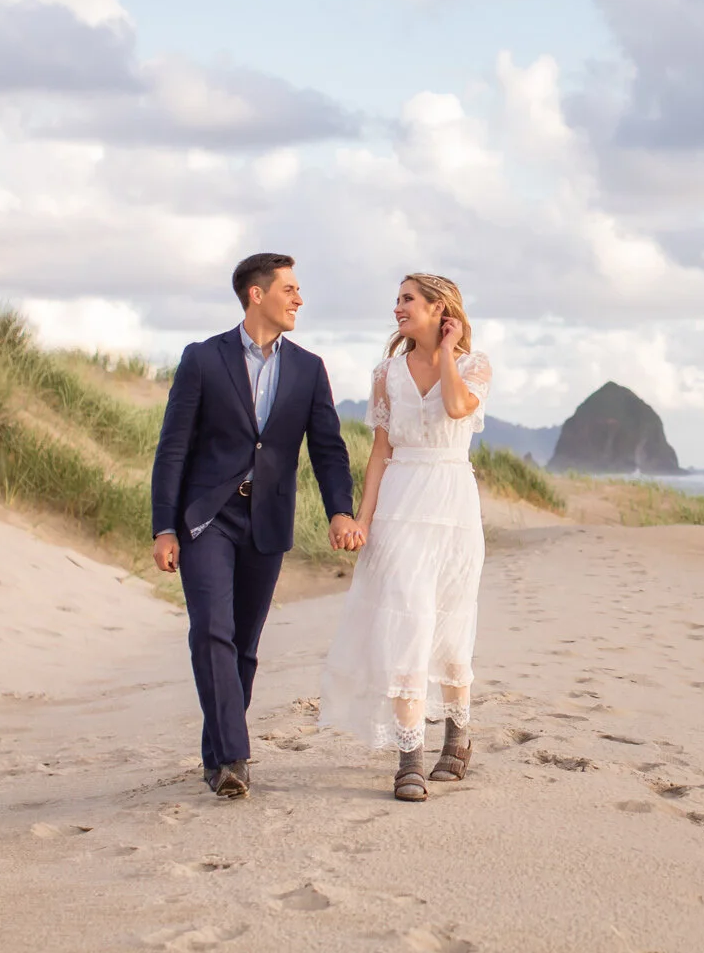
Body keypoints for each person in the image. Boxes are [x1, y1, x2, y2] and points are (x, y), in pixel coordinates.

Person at [150, 253, 359, 799]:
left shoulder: (310, 369)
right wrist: (163, 528)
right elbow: (173, 449)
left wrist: (340, 508)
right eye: (289, 289)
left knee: (244, 644)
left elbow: (329, 450)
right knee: (211, 632)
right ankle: (236, 758)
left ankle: (216, 754)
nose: (298, 299)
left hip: (266, 519)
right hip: (206, 518)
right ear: (256, 295)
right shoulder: (202, 359)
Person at [319, 273, 492, 802]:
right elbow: (379, 452)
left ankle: (457, 735)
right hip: (399, 505)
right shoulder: (385, 373)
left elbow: (460, 407)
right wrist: (363, 520)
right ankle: (409, 755)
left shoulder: (473, 365)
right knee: (405, 623)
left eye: (407, 299)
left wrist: (444, 349)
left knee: (449, 622)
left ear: (440, 308)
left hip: (453, 505)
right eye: (396, 299)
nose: (397, 308)